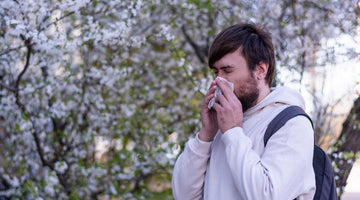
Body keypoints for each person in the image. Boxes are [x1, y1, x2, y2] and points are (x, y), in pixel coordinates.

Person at [172, 23, 316, 200]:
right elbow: (183, 195)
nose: (218, 81)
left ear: (260, 70)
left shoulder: (292, 124)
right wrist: (206, 135)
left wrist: (233, 133)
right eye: (216, 72)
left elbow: (268, 195)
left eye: (227, 71)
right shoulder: (221, 127)